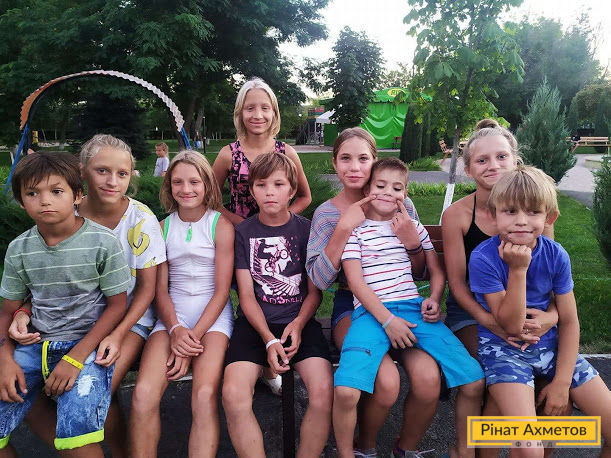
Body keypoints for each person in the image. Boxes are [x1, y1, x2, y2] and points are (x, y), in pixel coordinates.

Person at [9, 134, 166, 457]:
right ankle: (78, 448)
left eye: (122, 174)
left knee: (94, 388)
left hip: (127, 318)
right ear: (82, 173)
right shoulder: (62, 209)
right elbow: (47, 276)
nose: (112, 181)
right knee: (24, 391)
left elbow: (146, 290)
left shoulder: (140, 219)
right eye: (102, 171)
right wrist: (22, 311)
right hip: (69, 319)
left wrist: (117, 335)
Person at [333, 157, 484, 458]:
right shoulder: (356, 231)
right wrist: (388, 321)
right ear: (368, 189)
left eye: (396, 188)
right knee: (346, 390)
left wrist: (434, 298)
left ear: (406, 193)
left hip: (415, 310)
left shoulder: (413, 226)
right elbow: (356, 283)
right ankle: (348, 453)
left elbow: (436, 271)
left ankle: (460, 451)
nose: (388, 193)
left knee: (474, 379)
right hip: (371, 314)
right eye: (380, 186)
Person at [307, 127, 442, 457]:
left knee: (428, 381)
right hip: (353, 306)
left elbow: (421, 272)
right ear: (334, 163)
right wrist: (344, 227)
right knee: (386, 382)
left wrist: (412, 245)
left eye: (363, 159)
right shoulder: (327, 213)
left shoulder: (401, 203)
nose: (354, 167)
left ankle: (404, 448)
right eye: (345, 158)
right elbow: (319, 281)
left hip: (404, 301)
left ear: (375, 161)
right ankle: (364, 447)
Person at [469, 165, 611, 458]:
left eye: (533, 212)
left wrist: (561, 384)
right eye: (510, 211)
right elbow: (510, 326)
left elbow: (570, 322)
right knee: (529, 449)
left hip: (552, 347)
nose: (521, 221)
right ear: (494, 215)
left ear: (549, 218)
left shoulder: (556, 255)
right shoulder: (483, 258)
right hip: (504, 352)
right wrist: (518, 270)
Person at [0, 152, 130, 457]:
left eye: (56, 191)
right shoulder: (19, 249)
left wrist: (76, 358)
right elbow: (7, 311)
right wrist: (5, 359)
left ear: (77, 196)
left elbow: (117, 305)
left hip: (87, 345)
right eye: (33, 193)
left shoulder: (103, 242)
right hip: (35, 346)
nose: (45, 201)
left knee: (76, 433)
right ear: (21, 201)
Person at [221, 152, 333, 458]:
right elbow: (246, 295)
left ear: (292, 190)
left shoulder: (306, 230)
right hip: (255, 325)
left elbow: (314, 293)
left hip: (300, 322)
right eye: (261, 185)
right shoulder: (243, 233)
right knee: (233, 395)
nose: (270, 191)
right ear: (251, 190)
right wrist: (268, 339)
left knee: (323, 393)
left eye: (278, 184)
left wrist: (297, 324)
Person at [130, 151, 234, 457]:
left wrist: (190, 340)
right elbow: (159, 290)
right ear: (169, 185)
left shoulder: (220, 225)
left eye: (194, 182)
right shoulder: (161, 227)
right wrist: (175, 329)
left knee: (203, 395)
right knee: (143, 394)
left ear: (207, 185)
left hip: (212, 319)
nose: (186, 189)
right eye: (178, 182)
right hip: (171, 317)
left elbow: (222, 292)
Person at [213, 77, 312, 393]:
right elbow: (211, 198)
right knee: (250, 296)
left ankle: (268, 368)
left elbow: (304, 196)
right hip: (241, 238)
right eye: (250, 108)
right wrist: (242, 224)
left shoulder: (286, 152)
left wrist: (280, 221)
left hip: (278, 238)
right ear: (240, 113)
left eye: (265, 108)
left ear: (274, 113)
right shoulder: (228, 154)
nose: (258, 115)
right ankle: (256, 354)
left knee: (274, 293)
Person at [442, 119, 559, 358]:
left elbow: (553, 272)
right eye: (482, 160)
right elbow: (457, 285)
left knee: (544, 364)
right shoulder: (456, 215)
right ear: (468, 169)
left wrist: (551, 316)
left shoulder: (537, 213)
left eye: (502, 157)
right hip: (473, 312)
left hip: (529, 306)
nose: (493, 166)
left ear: (515, 160)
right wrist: (492, 323)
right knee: (494, 360)